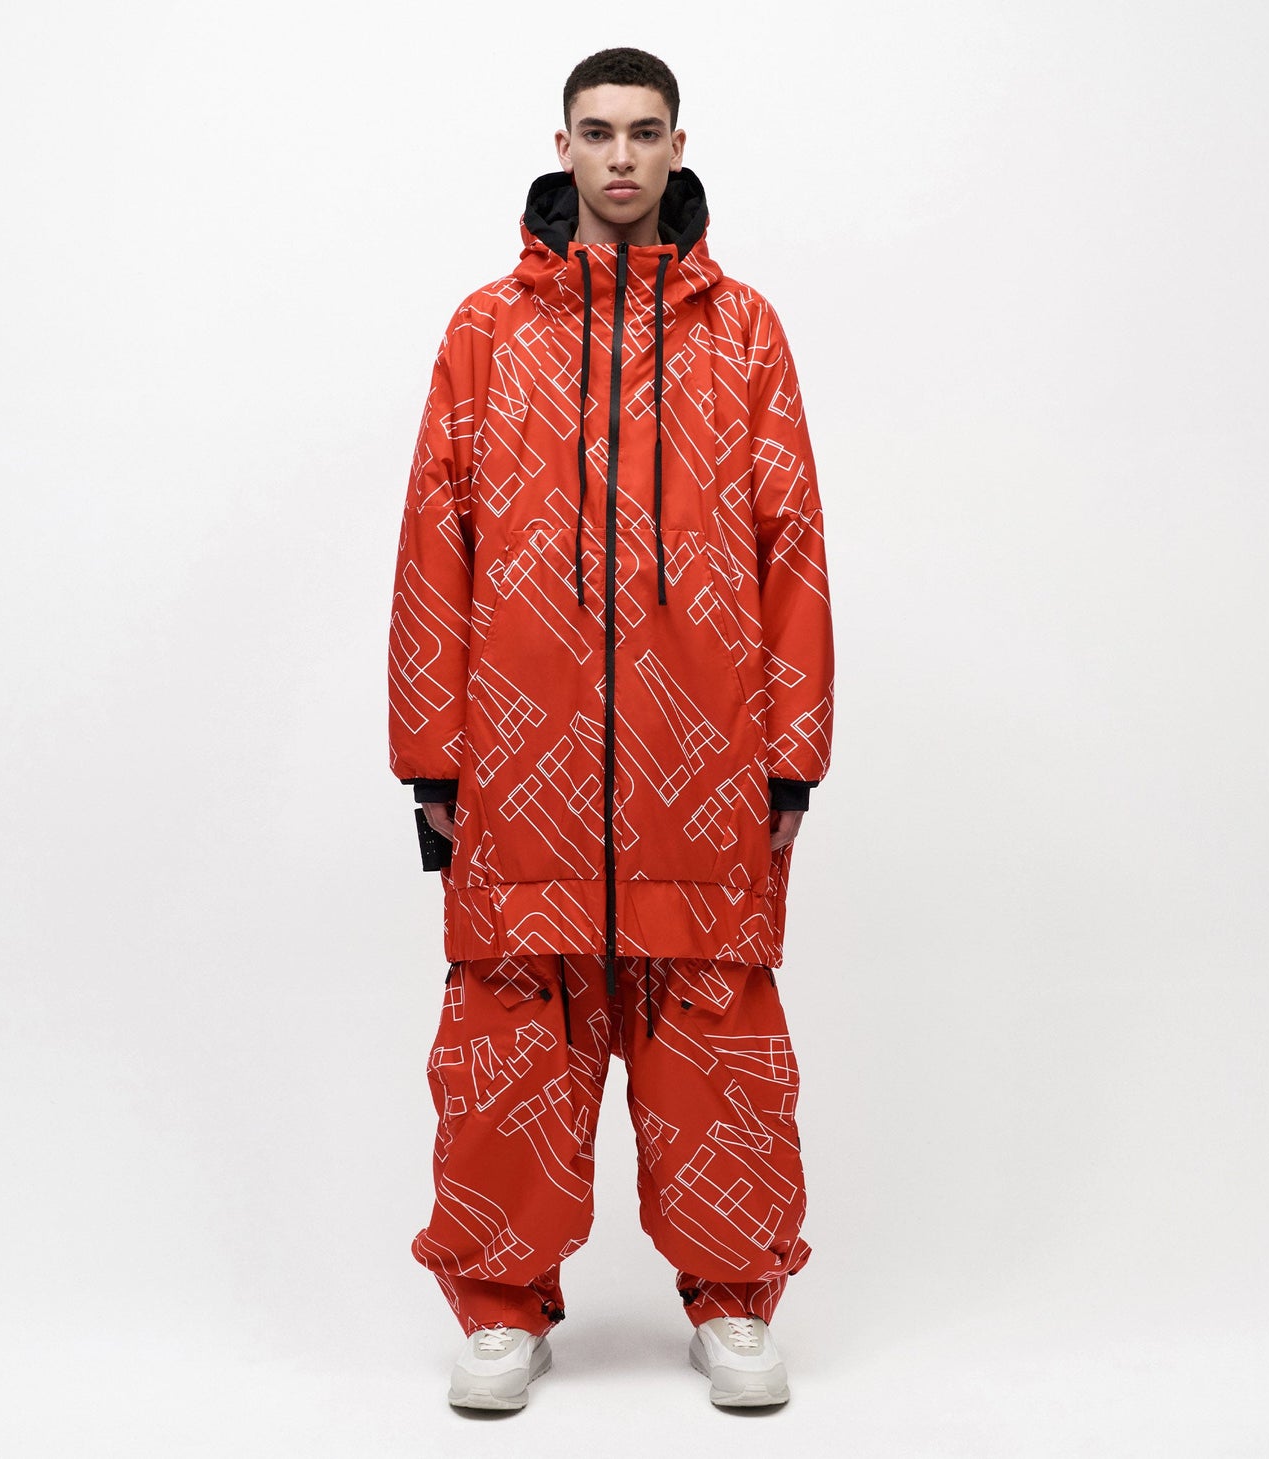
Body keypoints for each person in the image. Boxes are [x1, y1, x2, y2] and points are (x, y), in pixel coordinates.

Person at [386, 45, 835, 1412]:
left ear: (677, 146)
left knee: (718, 1038)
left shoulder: (742, 332)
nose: (622, 157)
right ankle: (499, 1305)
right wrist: (430, 754)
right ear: (563, 146)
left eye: (644, 133)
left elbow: (791, 543)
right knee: (507, 1040)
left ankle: (735, 1299)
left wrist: (792, 754)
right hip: (520, 760)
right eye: (598, 132)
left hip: (701, 760)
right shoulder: (487, 332)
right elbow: (436, 544)